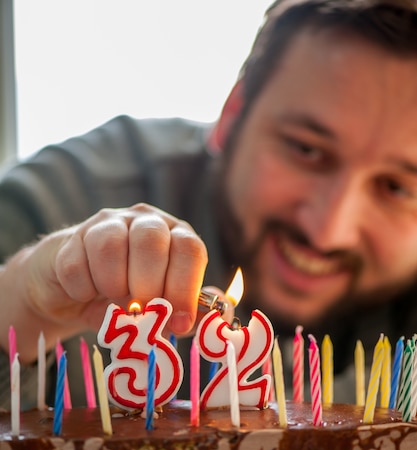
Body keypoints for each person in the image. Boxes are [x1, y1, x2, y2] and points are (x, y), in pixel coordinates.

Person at [1, 0, 417, 409]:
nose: (328, 230)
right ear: (232, 115)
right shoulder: (64, 194)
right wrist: (17, 306)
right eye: (307, 150)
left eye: (396, 188)